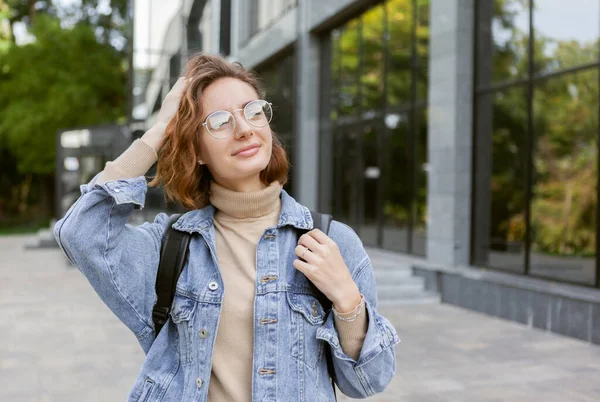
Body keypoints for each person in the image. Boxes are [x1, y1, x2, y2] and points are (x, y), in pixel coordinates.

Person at [53, 53, 399, 402]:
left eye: (253, 111)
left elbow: (369, 381)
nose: (244, 128)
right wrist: (158, 132)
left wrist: (347, 299)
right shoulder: (171, 248)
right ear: (197, 150)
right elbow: (81, 232)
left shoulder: (330, 242)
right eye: (219, 121)